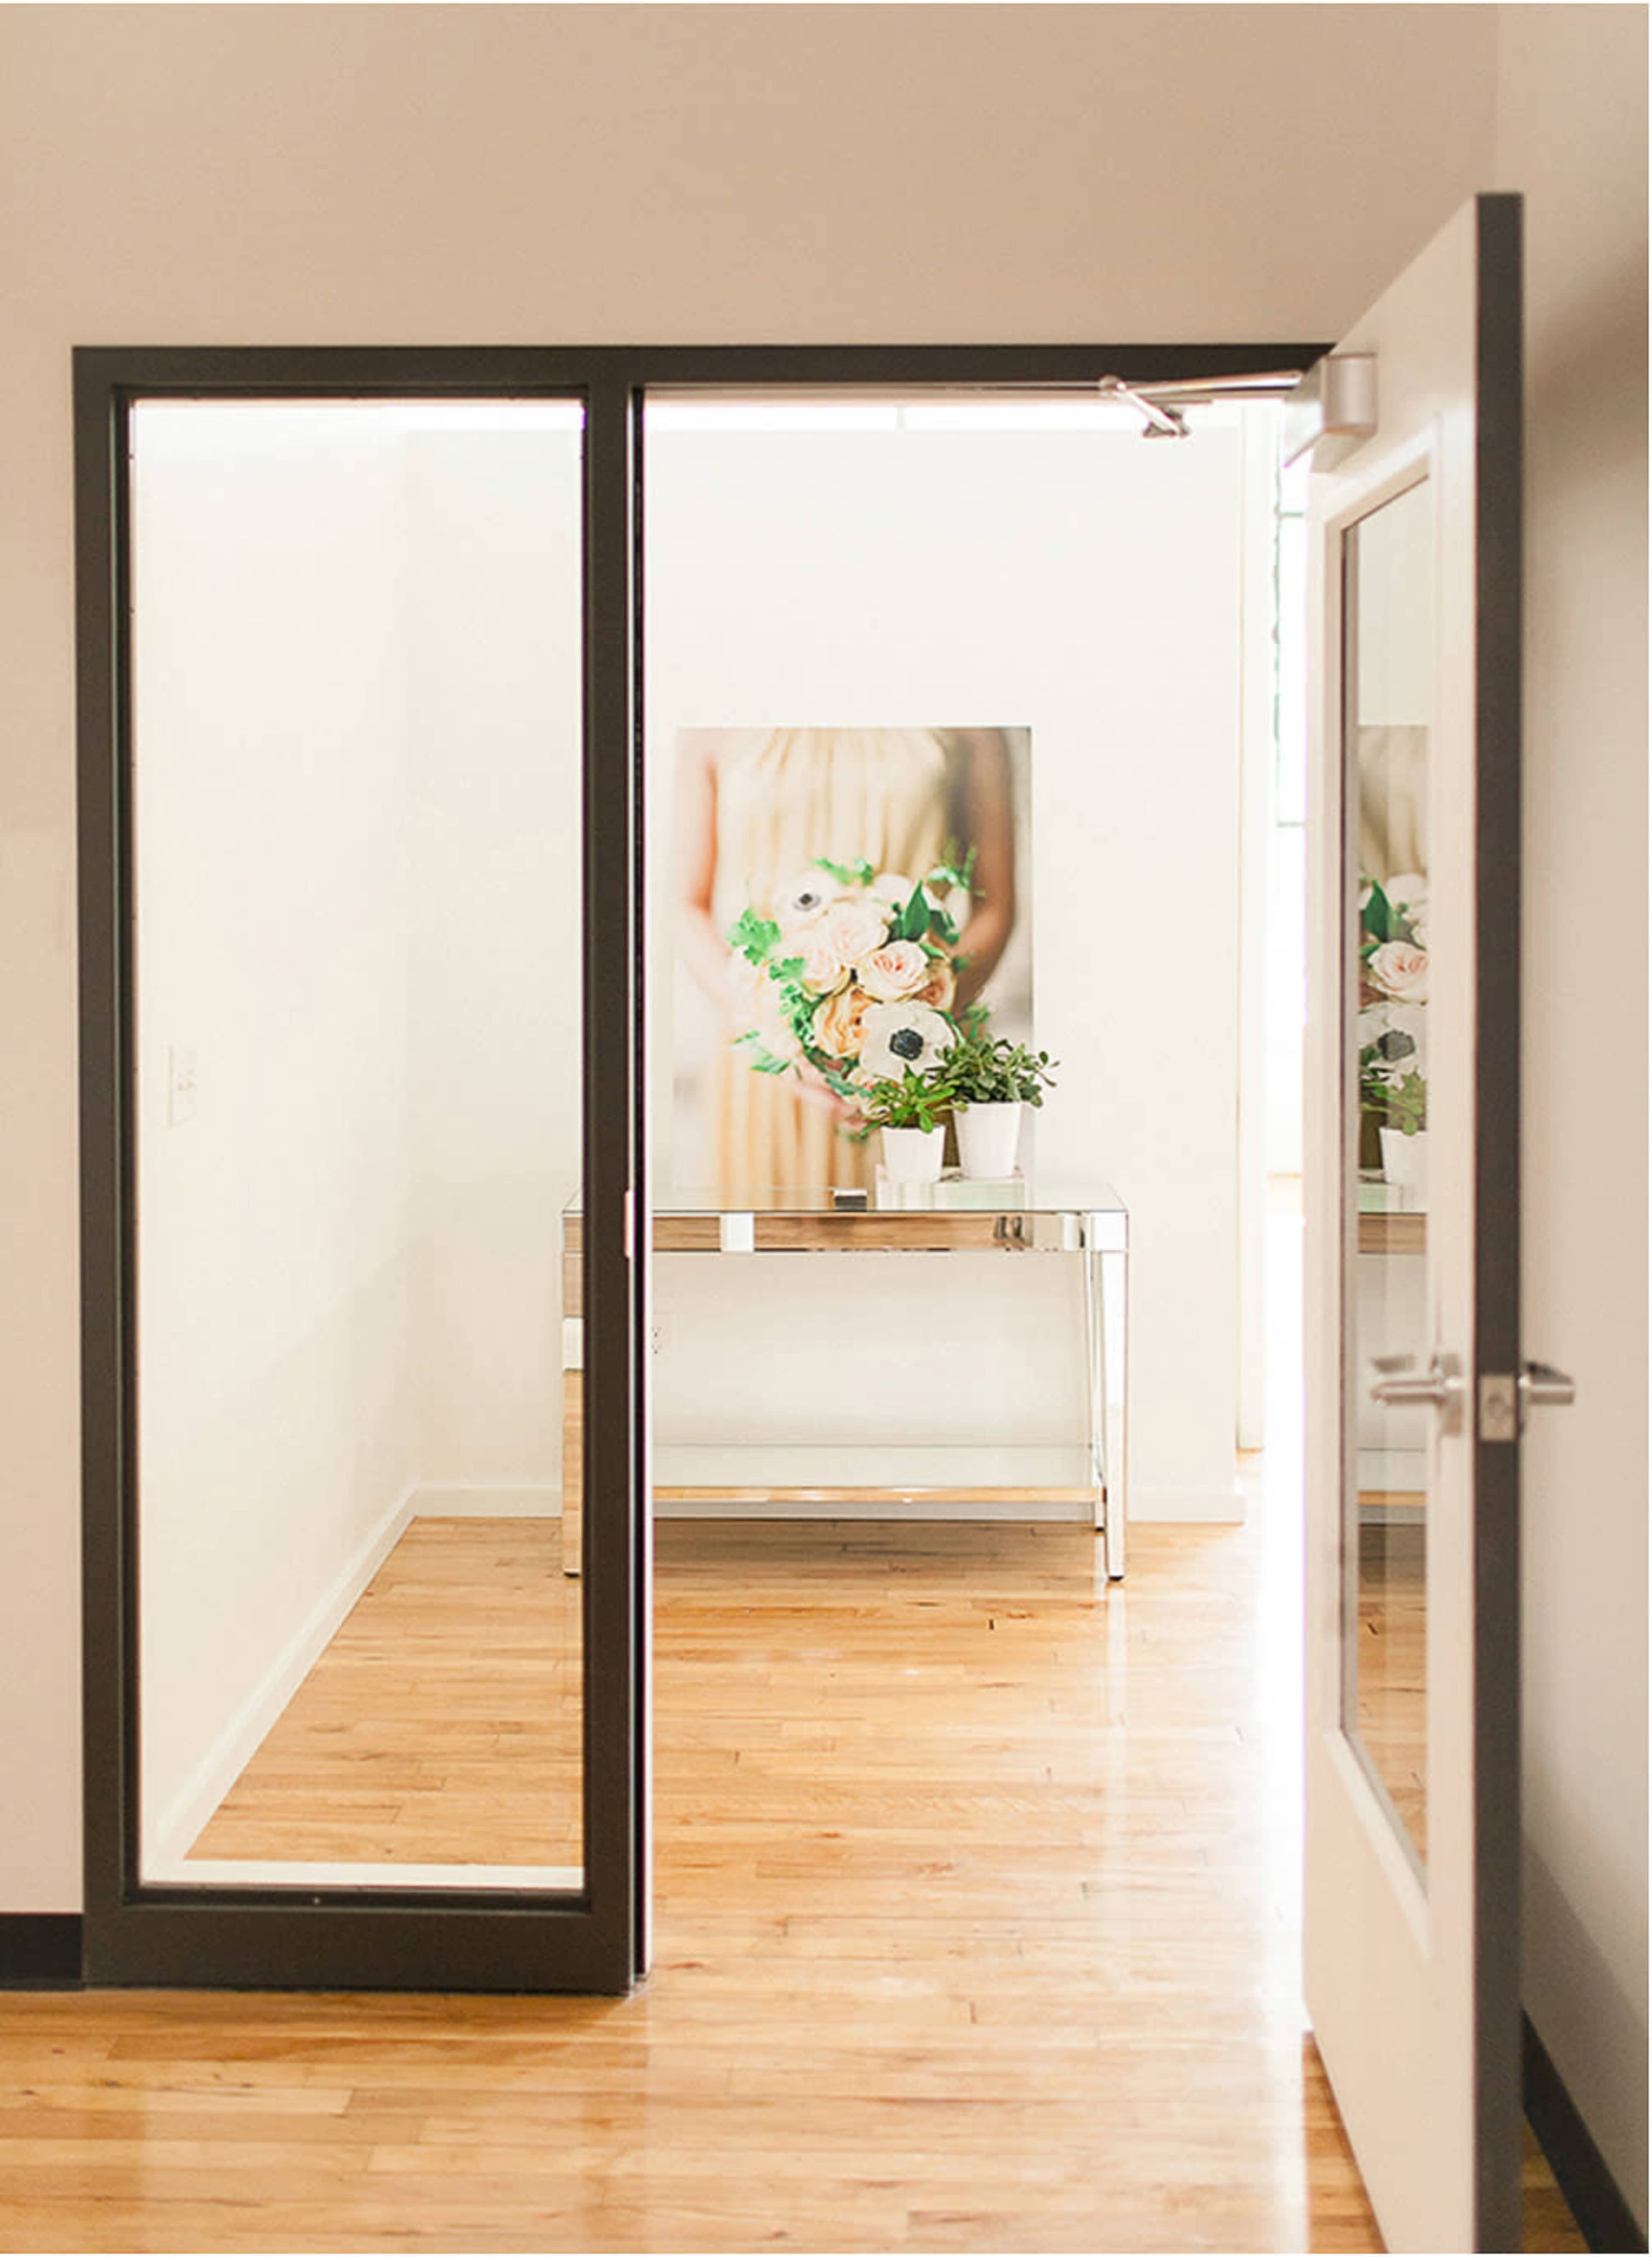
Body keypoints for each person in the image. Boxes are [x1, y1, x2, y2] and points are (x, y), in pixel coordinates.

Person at [675, 725, 1017, 1192]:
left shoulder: (972, 726)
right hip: (766, 1064)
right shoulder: (709, 722)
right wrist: (776, 1033)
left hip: (918, 1066)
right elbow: (686, 907)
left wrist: (913, 1031)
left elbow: (996, 904)